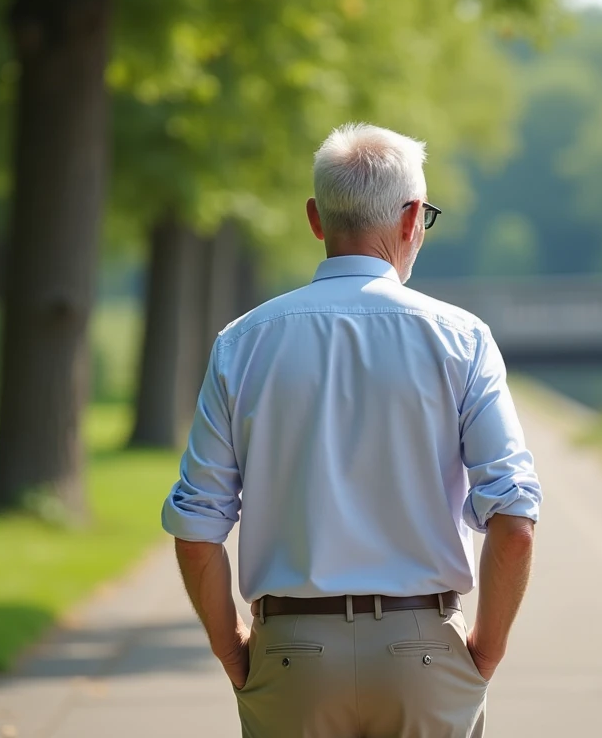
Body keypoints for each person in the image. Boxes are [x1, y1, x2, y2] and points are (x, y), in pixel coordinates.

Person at [161, 123, 541, 738]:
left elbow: (195, 527)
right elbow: (515, 524)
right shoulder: (462, 340)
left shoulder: (242, 343)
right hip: (423, 651)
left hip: (290, 655)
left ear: (316, 218)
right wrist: (485, 652)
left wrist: (233, 651)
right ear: (413, 217)